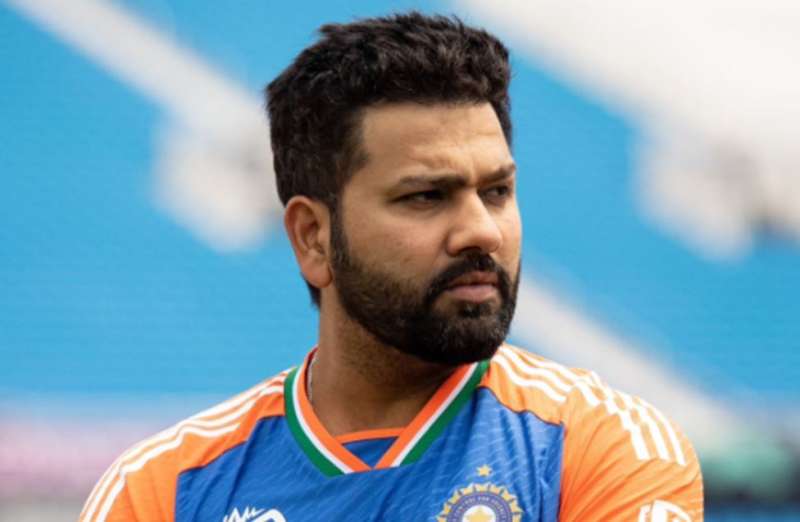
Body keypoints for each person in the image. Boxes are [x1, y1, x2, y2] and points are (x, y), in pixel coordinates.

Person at [80, 12, 703, 522]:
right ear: (313, 237)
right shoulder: (162, 491)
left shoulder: (601, 448)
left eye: (496, 192)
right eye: (426, 196)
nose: (482, 231)